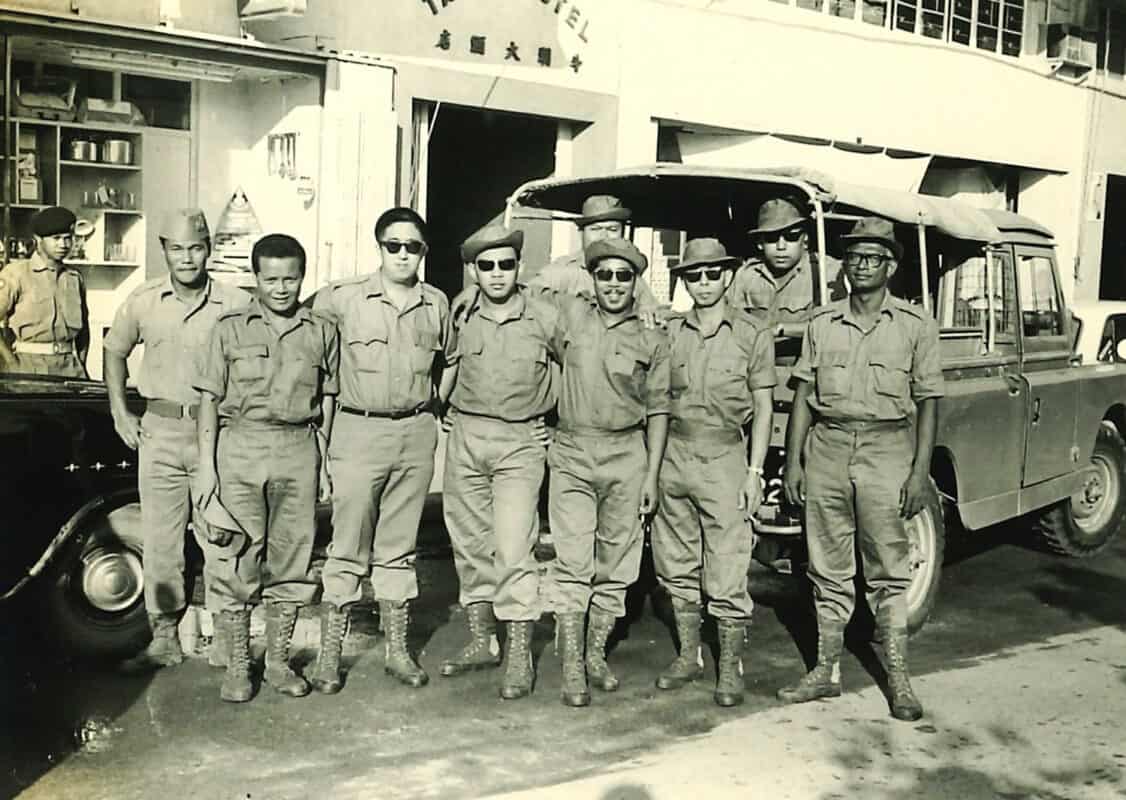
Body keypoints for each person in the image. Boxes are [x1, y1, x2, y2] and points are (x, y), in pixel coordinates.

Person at [778, 217, 942, 722]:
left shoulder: (914, 326)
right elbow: (804, 394)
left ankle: (898, 679)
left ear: (890, 266)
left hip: (886, 449)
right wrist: (793, 462)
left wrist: (919, 472)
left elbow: (930, 399)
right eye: (853, 257)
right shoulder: (822, 324)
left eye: (872, 257)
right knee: (826, 566)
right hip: (827, 446)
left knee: (889, 570)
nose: (861, 265)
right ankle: (825, 672)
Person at [194, 233, 339, 703]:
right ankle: (239, 665)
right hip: (241, 447)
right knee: (237, 556)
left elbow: (330, 396)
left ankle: (277, 662)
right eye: (271, 278)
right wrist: (206, 467)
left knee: (293, 558)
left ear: (303, 277)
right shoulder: (229, 328)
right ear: (255, 278)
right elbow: (208, 400)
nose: (281, 288)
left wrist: (327, 454)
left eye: (291, 278)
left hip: (298, 448)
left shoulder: (321, 329)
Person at [309, 207, 449, 694]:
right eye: (394, 245)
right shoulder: (344, 298)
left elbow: (447, 363)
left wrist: (435, 406)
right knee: (347, 546)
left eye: (414, 247)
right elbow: (308, 342)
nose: (404, 255)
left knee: (399, 547)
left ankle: (397, 650)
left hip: (414, 433)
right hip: (358, 432)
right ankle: (330, 656)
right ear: (380, 247)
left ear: (424, 252)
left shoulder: (436, 303)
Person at [104, 208, 247, 670]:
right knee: (161, 540)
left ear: (209, 250)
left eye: (197, 248)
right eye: (178, 249)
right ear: (164, 249)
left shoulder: (235, 302)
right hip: (160, 432)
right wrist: (120, 412)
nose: (187, 258)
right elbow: (114, 350)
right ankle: (164, 638)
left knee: (221, 537)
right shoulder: (144, 300)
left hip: (216, 437)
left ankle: (227, 638)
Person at [537, 237, 670, 707]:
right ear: (591, 279)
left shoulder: (653, 335)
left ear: (636, 283)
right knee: (573, 562)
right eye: (605, 275)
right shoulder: (569, 316)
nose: (614, 284)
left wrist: (651, 477)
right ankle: (572, 665)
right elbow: (526, 295)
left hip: (626, 455)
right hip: (573, 449)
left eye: (624, 276)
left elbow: (658, 411)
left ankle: (595, 655)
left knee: (616, 564)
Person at [651, 238, 776, 708]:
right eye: (693, 276)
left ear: (726, 276)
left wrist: (755, 472)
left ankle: (730, 668)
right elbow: (658, 402)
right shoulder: (670, 333)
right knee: (676, 564)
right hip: (676, 456)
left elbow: (762, 407)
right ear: (684, 281)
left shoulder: (750, 333)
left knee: (726, 566)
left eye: (711, 274)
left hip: (725, 457)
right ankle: (688, 657)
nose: (703, 283)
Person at [438, 223, 560, 700]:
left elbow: (574, 367)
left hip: (520, 440)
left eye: (504, 265)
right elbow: (442, 364)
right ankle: (482, 640)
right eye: (485, 266)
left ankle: (518, 654)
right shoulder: (459, 312)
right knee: (469, 545)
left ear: (518, 267)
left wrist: (555, 423)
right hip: (466, 435)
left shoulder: (546, 316)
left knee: (513, 547)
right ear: (473, 272)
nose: (496, 274)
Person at [727, 195, 841, 337]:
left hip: (804, 355)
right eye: (771, 238)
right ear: (760, 243)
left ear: (805, 240)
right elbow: (730, 320)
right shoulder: (747, 274)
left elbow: (835, 326)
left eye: (791, 237)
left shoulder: (825, 271)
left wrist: (781, 329)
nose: (781, 246)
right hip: (755, 355)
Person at [0, 206, 88, 377]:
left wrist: (82, 365)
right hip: (27, 368)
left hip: (70, 369)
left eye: (68, 238)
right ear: (38, 240)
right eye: (56, 238)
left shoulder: (74, 278)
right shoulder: (16, 274)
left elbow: (84, 330)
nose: (63, 244)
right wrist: (11, 363)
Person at [528, 194, 659, 308]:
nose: (603, 236)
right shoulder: (561, 272)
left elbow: (654, 312)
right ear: (581, 233)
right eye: (595, 229)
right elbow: (528, 301)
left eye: (612, 229)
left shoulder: (629, 277)